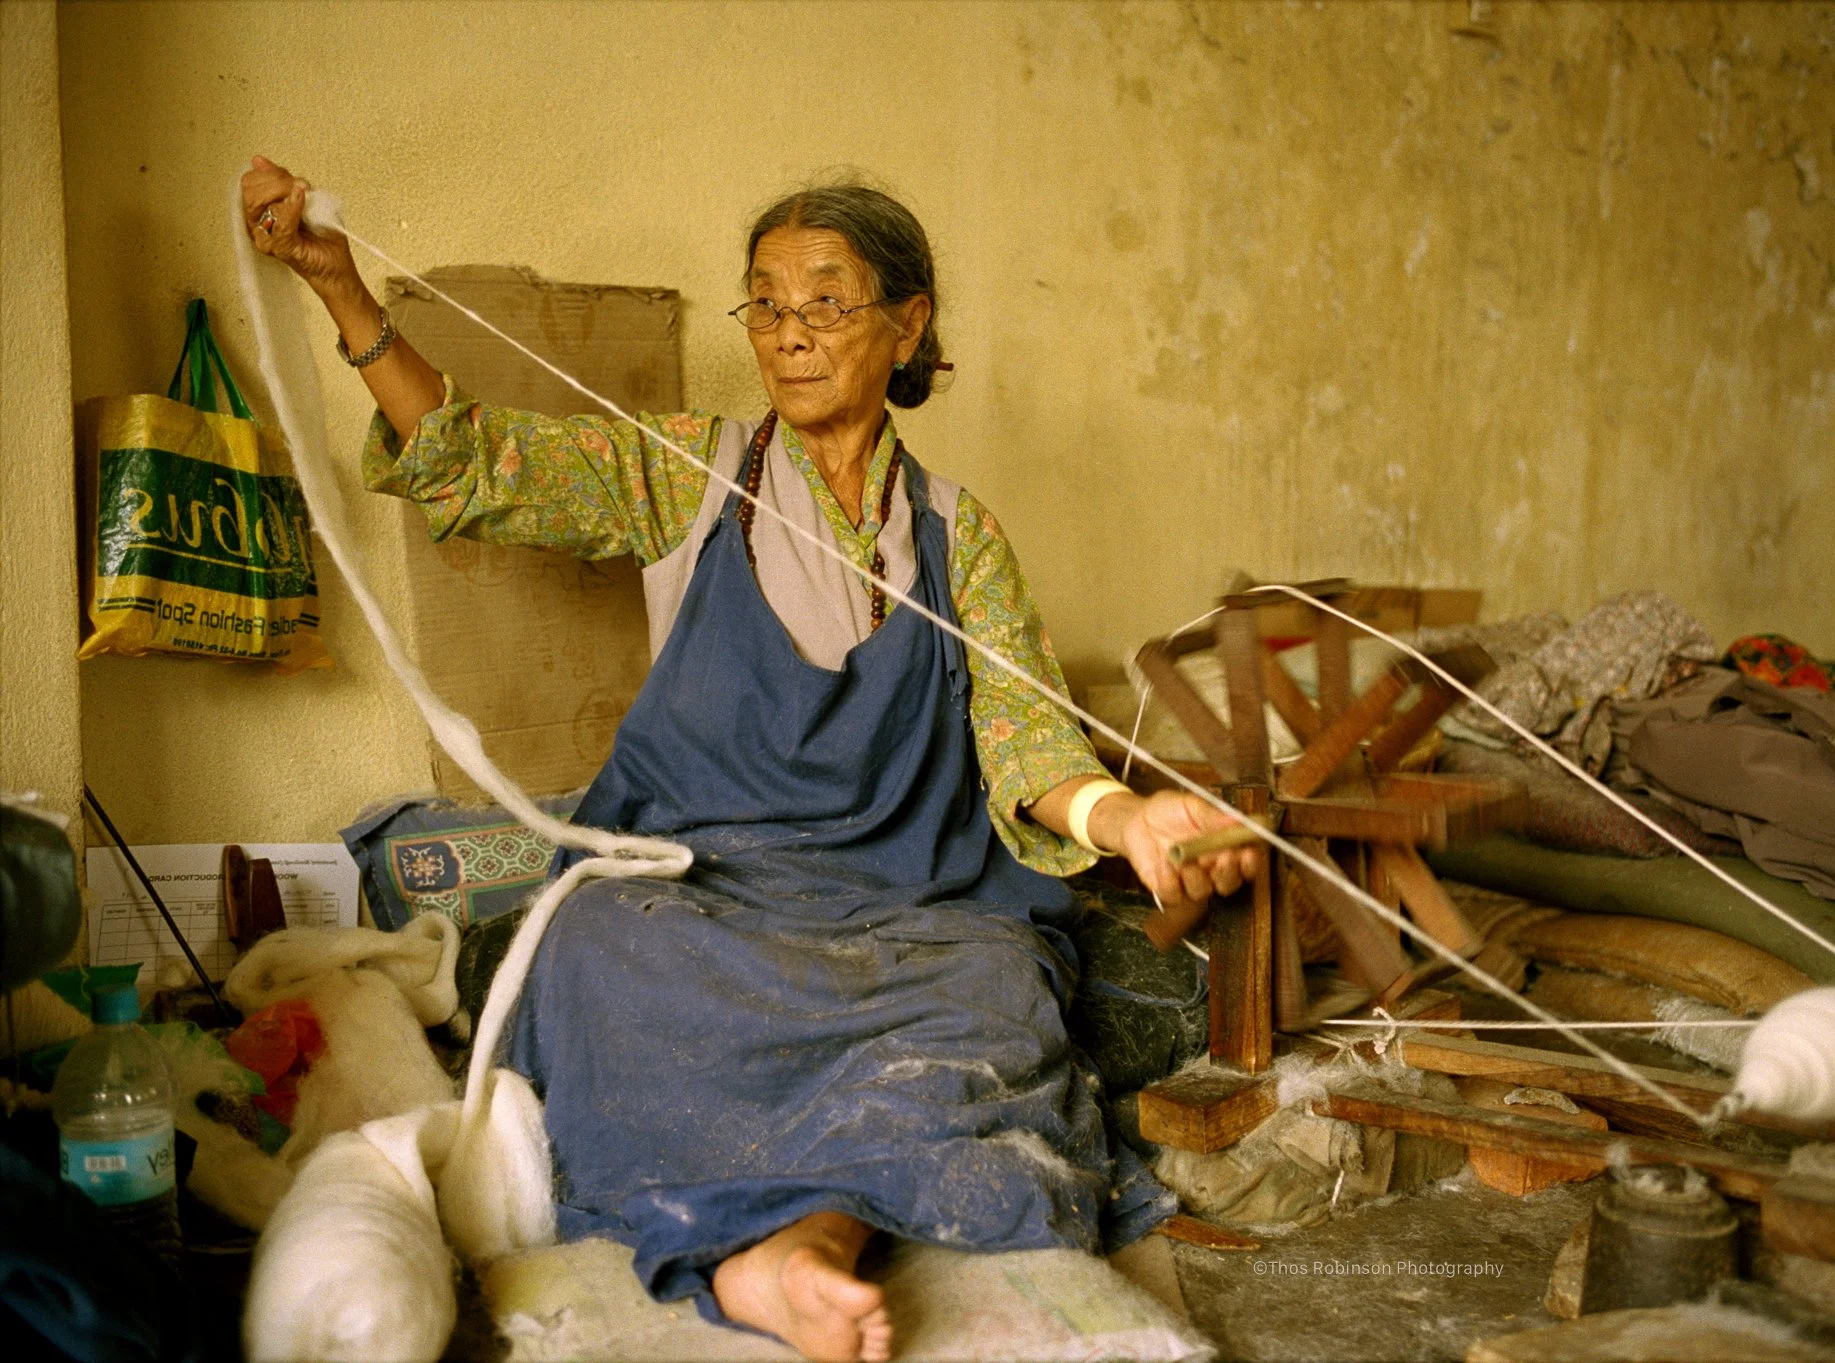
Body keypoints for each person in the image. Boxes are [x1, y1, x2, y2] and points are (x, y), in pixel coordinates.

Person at [242, 156, 1259, 1363]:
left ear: (907, 323)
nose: (787, 332)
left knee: (995, 999)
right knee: (590, 949)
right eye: (765, 303)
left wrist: (1124, 819)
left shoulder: (954, 533)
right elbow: (474, 462)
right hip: (701, 899)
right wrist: (342, 288)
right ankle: (798, 1241)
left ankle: (795, 1249)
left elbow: (1025, 732)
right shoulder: (692, 472)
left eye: (824, 301)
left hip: (905, 917)